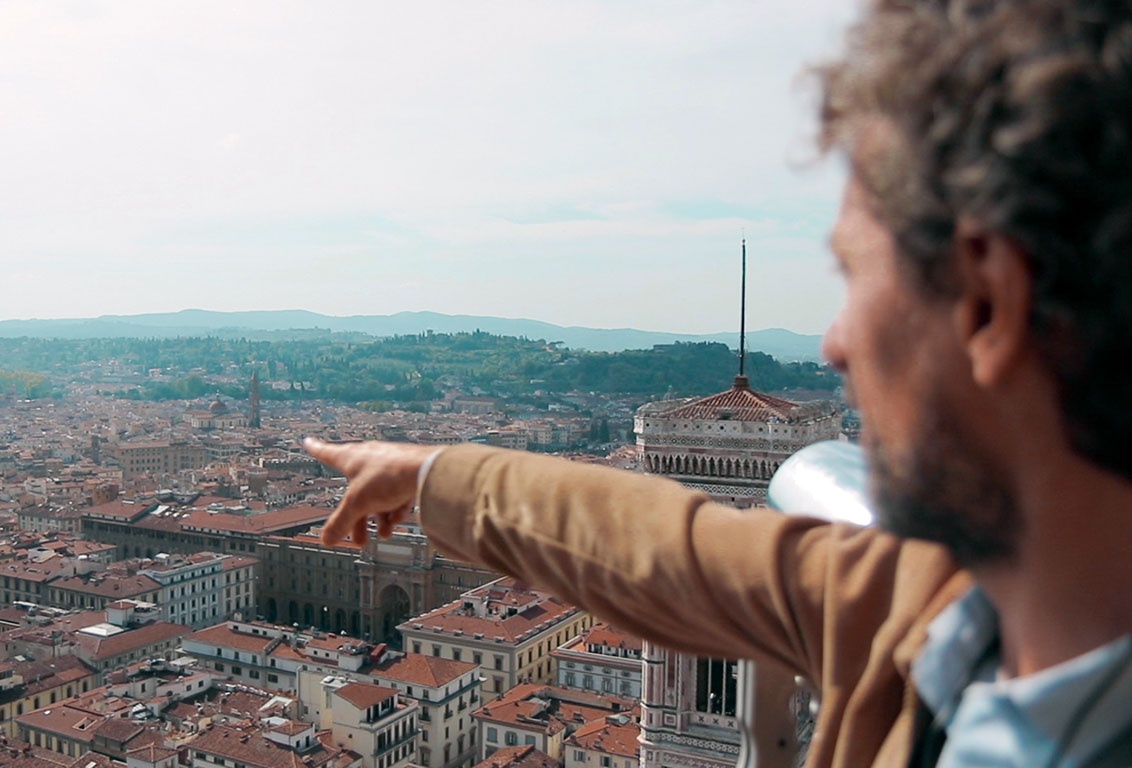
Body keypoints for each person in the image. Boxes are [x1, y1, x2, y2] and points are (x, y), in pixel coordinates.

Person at [305, 0, 1132, 765]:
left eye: (854, 276)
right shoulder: (931, 599)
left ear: (991, 303)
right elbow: (670, 551)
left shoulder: (911, 606)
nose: (833, 345)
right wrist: (432, 476)